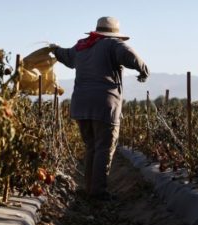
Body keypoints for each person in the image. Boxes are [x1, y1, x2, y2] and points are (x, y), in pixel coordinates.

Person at [52, 16, 149, 200]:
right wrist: (144, 70)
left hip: (81, 105)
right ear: (114, 34)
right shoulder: (113, 44)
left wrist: (55, 49)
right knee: (104, 147)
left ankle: (89, 188)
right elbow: (131, 56)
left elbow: (65, 56)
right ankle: (97, 193)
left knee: (91, 147)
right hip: (104, 105)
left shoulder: (82, 46)